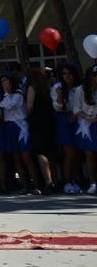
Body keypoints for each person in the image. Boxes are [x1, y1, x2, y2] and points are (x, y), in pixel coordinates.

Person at [0, 71, 42, 194]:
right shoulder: (4, 96)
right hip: (10, 127)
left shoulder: (18, 95)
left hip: (21, 127)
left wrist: (4, 94)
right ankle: (25, 185)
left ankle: (37, 185)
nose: (4, 83)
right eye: (2, 81)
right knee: (16, 158)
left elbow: (9, 105)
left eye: (5, 80)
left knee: (26, 156)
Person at [26, 67, 57, 193]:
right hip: (49, 121)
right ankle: (54, 179)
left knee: (40, 152)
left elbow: (29, 107)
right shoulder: (49, 88)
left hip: (37, 122)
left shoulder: (32, 88)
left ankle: (48, 181)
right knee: (50, 151)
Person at [53, 62, 82, 194]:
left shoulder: (79, 88)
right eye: (64, 73)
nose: (67, 76)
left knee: (76, 154)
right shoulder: (57, 87)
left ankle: (74, 181)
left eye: (69, 73)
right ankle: (67, 182)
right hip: (63, 120)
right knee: (69, 154)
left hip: (78, 119)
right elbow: (56, 106)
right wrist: (59, 95)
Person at [70, 65, 97, 195]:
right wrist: (88, 117)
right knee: (90, 154)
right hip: (87, 125)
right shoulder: (81, 90)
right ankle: (93, 182)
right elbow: (76, 108)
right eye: (94, 75)